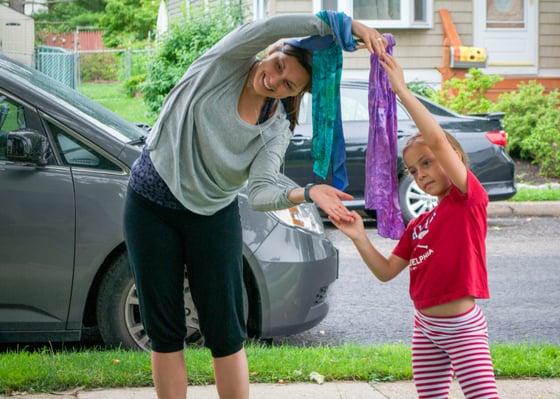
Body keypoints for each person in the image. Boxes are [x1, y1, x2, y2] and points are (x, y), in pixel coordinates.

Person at [123, 11, 387, 399]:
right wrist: (345, 26)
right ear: (272, 52)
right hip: (151, 205)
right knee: (164, 331)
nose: (276, 80)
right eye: (279, 66)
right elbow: (267, 27)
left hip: (212, 214)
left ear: (294, 93)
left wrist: (309, 192)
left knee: (225, 330)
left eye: (289, 84)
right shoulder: (225, 63)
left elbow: (262, 191)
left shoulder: (275, 127)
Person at [330, 52, 500, 399]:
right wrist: (359, 236)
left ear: (453, 160)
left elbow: (436, 139)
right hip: (425, 328)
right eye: (413, 170)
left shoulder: (469, 201)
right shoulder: (420, 224)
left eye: (427, 163)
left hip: (461, 329)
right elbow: (387, 271)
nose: (420, 174)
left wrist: (403, 93)